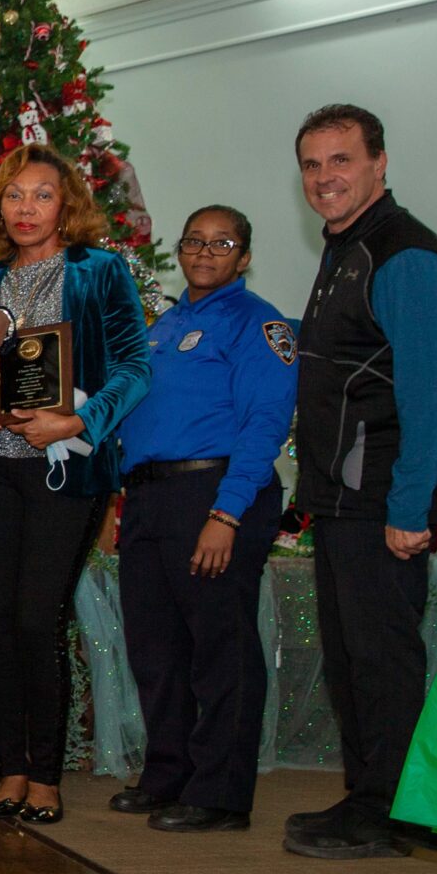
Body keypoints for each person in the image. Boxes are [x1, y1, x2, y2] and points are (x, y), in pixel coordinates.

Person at [0, 144, 151, 824]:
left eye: (41, 194)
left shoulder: (98, 270)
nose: (26, 208)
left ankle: (45, 778)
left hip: (65, 469)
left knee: (38, 620)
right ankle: (10, 773)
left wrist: (75, 420)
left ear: (66, 204)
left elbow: (135, 368)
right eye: (14, 195)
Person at [284, 103, 437, 860]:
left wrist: (410, 506)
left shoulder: (404, 254)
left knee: (382, 657)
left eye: (341, 160)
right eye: (312, 164)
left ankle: (390, 811)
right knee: (352, 656)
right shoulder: (346, 248)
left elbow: (432, 393)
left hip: (383, 499)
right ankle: (370, 797)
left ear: (379, 163)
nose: (325, 177)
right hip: (339, 498)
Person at [108, 206, 296, 834]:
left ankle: (220, 793)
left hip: (214, 492)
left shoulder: (258, 323)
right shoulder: (164, 325)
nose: (205, 252)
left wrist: (227, 514)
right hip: (150, 497)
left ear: (244, 257)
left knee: (221, 648)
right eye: (195, 241)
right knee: (156, 647)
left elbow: (265, 425)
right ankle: (169, 774)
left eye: (223, 243)